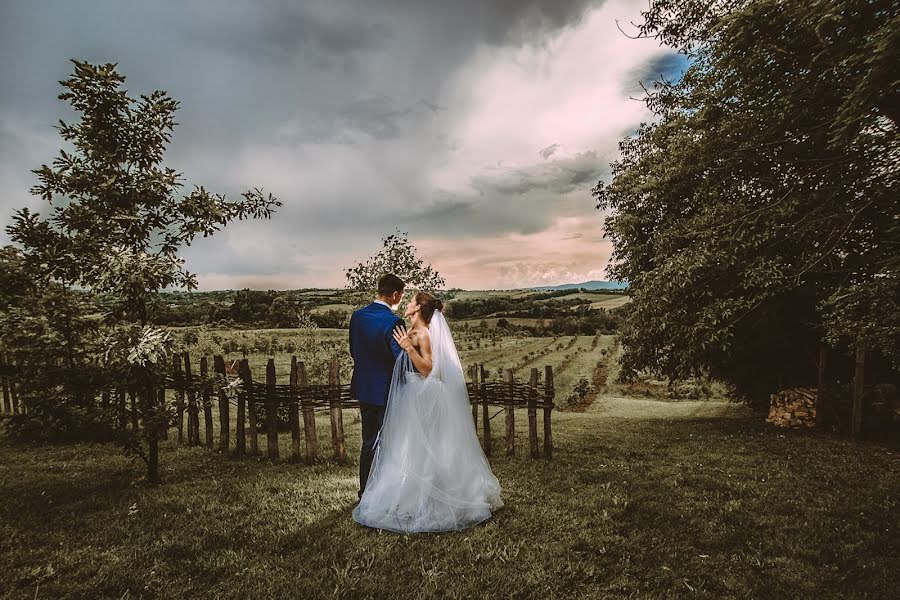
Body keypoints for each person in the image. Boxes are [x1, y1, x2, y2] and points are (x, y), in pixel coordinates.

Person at [352, 291, 503, 533]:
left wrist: (409, 350)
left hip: (421, 396)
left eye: (411, 301)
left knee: (425, 451)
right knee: (405, 449)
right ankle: (405, 497)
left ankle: (434, 501)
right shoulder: (409, 332)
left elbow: (430, 370)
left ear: (419, 307)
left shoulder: (424, 334)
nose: (407, 304)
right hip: (407, 396)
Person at [349, 273, 406, 500]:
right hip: (387, 392)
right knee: (389, 443)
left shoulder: (357, 317)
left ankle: (365, 492)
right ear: (394, 295)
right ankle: (384, 493)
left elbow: (354, 350)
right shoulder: (394, 322)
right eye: (401, 295)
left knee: (369, 442)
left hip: (364, 388)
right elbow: (400, 360)